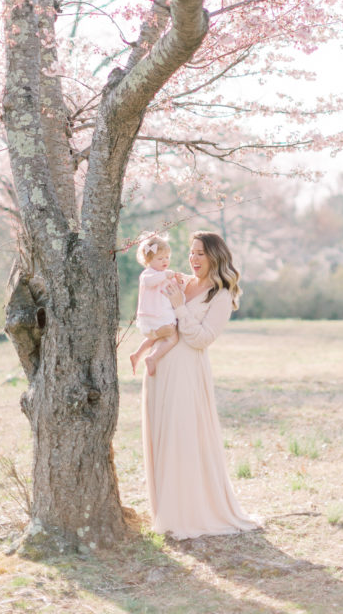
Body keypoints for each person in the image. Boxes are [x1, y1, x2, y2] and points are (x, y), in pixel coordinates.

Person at [141, 229, 259, 539]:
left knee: (183, 438)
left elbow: (202, 339)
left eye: (200, 253)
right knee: (162, 435)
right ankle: (165, 510)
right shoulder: (181, 281)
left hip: (186, 373)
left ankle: (188, 513)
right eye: (191, 252)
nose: (193, 258)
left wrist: (180, 307)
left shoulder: (220, 295)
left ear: (215, 257)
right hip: (159, 368)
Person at [130, 234, 182, 377]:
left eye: (167, 257)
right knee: (172, 337)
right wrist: (166, 275)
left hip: (156, 315)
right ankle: (152, 358)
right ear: (148, 260)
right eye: (160, 258)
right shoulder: (148, 274)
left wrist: (179, 282)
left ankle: (137, 354)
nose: (165, 261)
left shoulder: (162, 274)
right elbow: (150, 282)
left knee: (155, 336)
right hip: (155, 314)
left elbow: (172, 289)